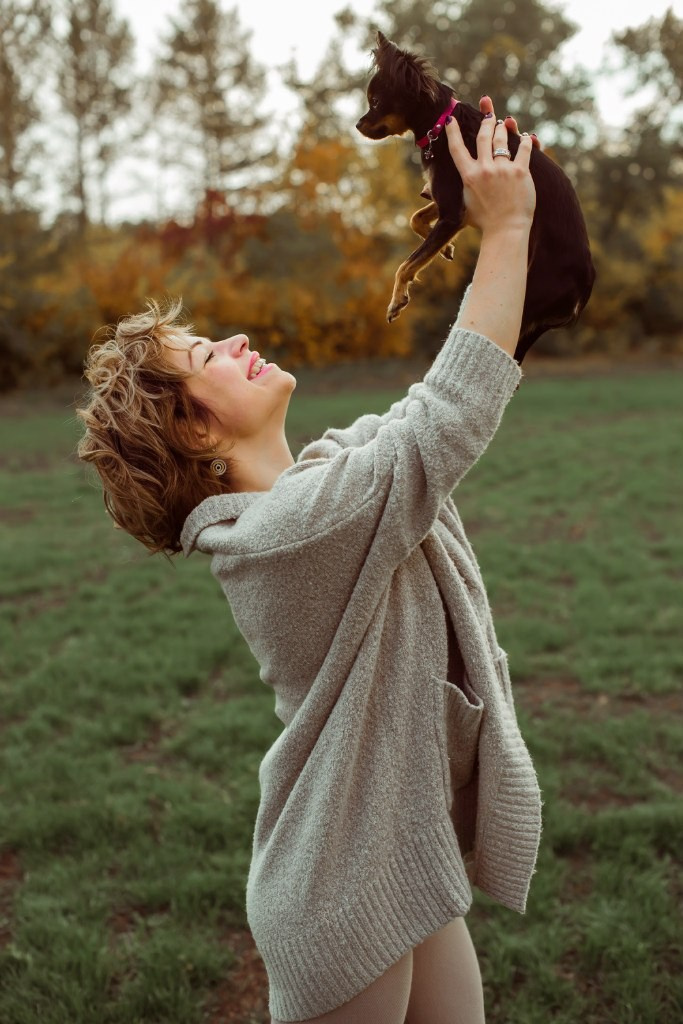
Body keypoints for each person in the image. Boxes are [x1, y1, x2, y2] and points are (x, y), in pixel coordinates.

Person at [76, 97, 543, 1024]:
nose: (237, 341)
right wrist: (510, 224)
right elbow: (445, 419)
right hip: (337, 887)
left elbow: (433, 405)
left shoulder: (320, 486)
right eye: (208, 350)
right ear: (195, 428)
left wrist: (507, 241)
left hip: (392, 843)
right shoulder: (286, 535)